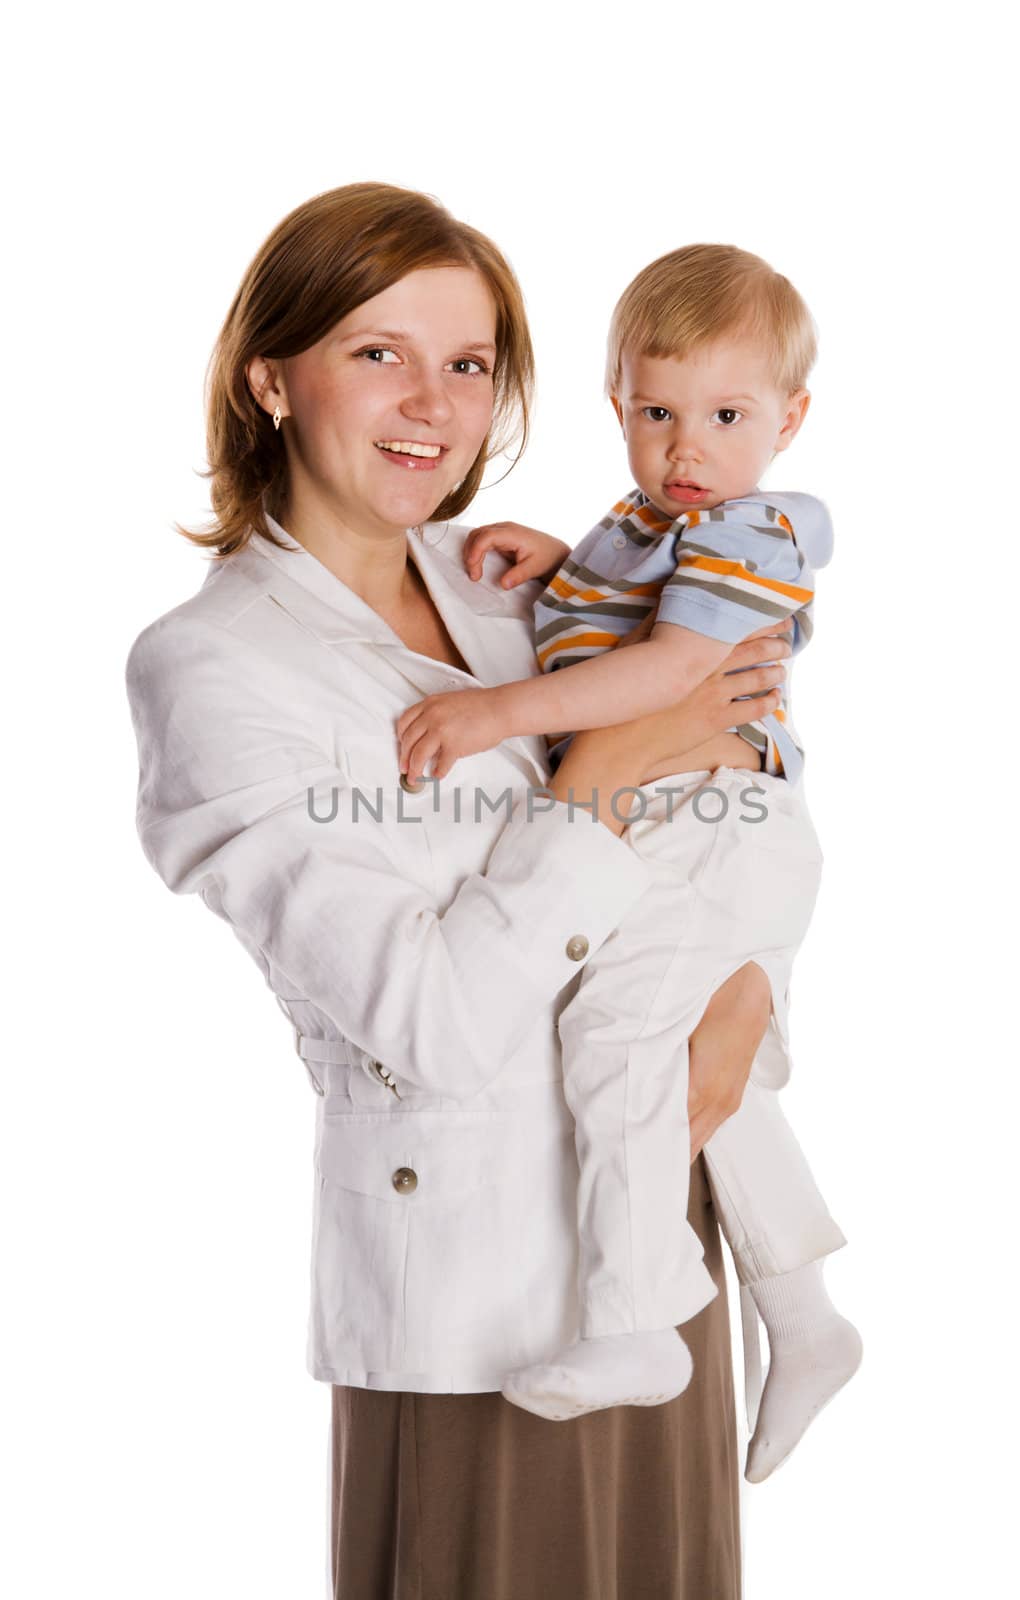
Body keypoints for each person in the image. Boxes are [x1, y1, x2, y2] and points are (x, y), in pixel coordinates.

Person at [125, 181, 795, 1599]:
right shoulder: (216, 667)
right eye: (379, 352)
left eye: (470, 362)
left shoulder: (519, 592)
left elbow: (725, 805)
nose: (434, 400)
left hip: (654, 1244)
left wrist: (745, 1000)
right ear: (270, 377)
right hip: (475, 1300)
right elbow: (422, 1022)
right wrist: (596, 774)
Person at [395, 244, 862, 1482]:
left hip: (707, 811)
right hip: (693, 812)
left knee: (608, 1040)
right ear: (616, 405)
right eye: (654, 413)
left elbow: (669, 673)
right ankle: (805, 1315)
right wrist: (564, 568)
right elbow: (635, 620)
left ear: (788, 419)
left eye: (723, 415)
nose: (684, 445)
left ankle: (639, 1321)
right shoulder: (656, 526)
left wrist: (498, 719)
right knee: (691, 1064)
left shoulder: (754, 527)